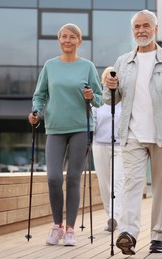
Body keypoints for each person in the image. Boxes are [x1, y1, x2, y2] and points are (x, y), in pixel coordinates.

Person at [103, 9, 162, 255]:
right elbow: (110, 100)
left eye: (146, 26)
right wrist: (109, 87)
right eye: (137, 27)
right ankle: (128, 234)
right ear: (132, 31)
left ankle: (158, 235)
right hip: (132, 134)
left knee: (160, 188)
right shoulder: (124, 61)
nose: (141, 30)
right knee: (131, 185)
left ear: (155, 29)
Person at [28, 23, 103, 246]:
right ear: (59, 40)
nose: (67, 40)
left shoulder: (87, 67)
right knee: (52, 177)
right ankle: (56, 226)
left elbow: (100, 98)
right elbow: (39, 96)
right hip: (55, 128)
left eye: (72, 37)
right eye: (63, 37)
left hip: (81, 127)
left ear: (79, 41)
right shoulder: (50, 66)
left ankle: (70, 229)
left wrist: (91, 96)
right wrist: (35, 112)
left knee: (72, 178)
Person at [92, 66, 123, 232]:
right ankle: (109, 217)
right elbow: (93, 122)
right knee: (104, 185)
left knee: (116, 184)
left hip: (121, 147)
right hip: (100, 146)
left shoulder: (124, 99)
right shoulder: (98, 101)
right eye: (108, 78)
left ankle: (114, 216)